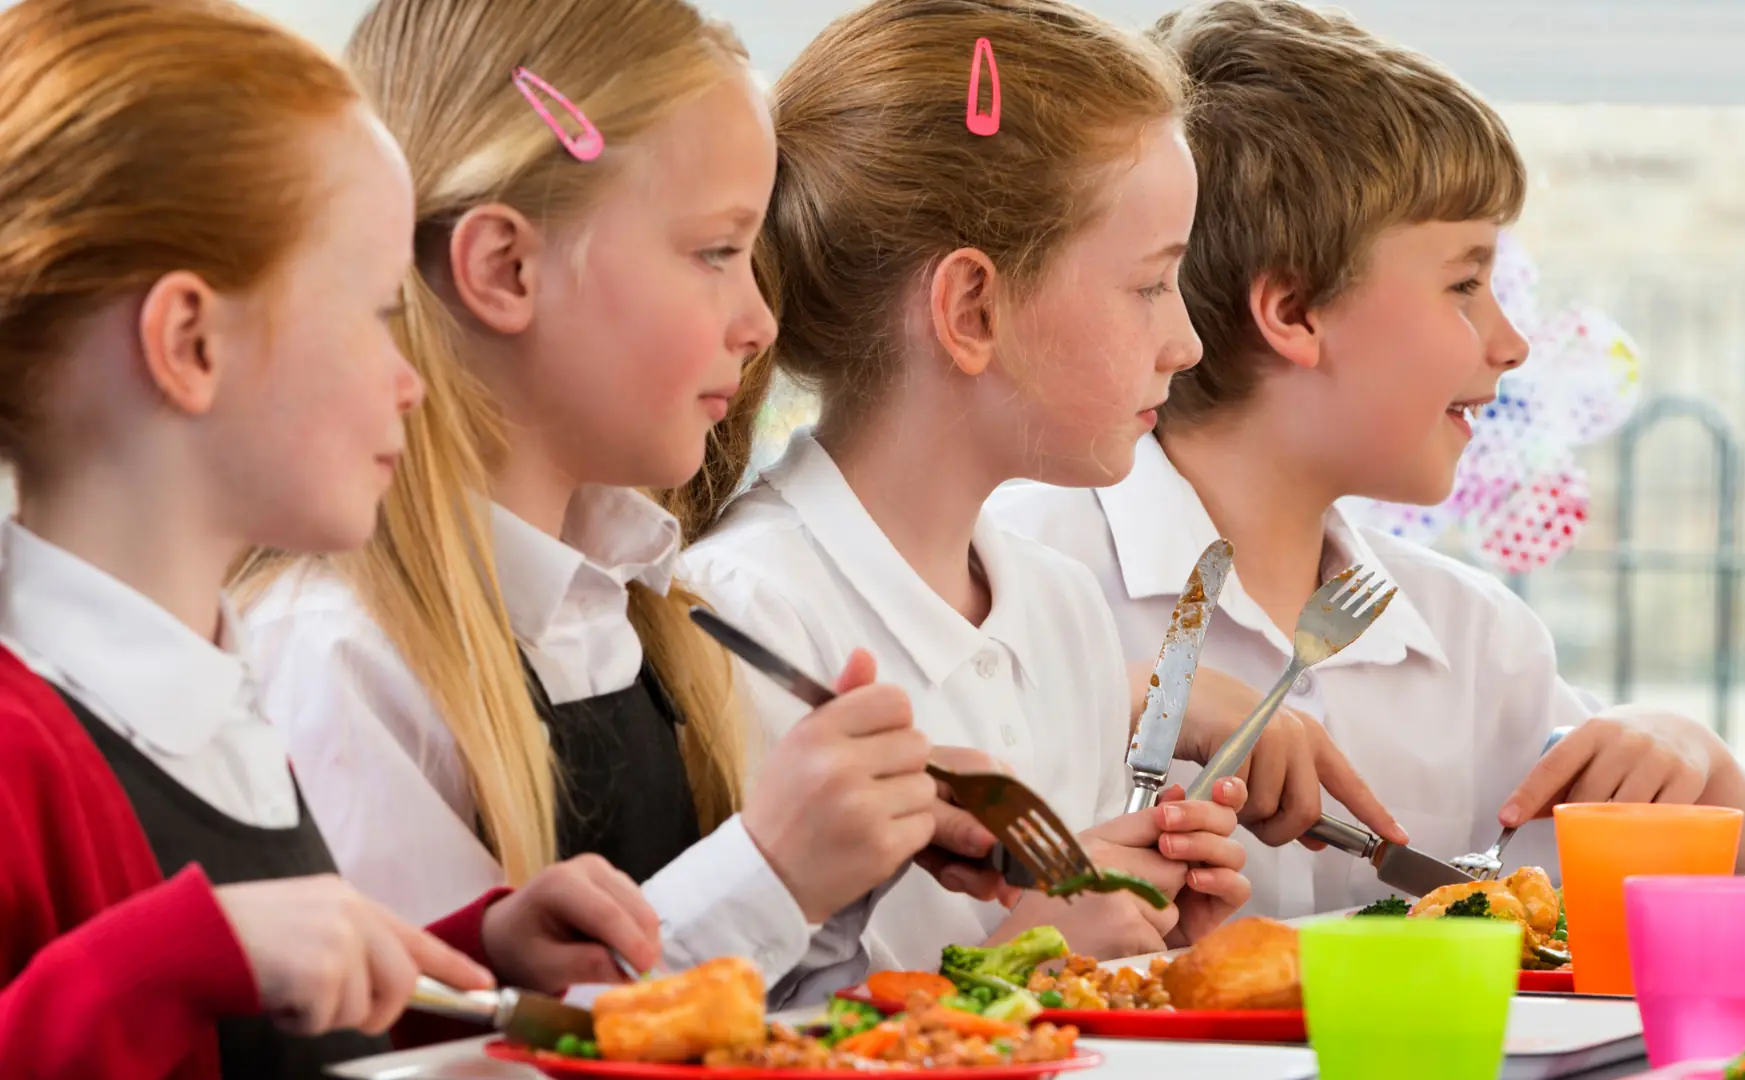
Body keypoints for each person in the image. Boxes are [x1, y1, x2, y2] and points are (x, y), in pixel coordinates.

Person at [238, 0, 1005, 1007]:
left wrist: (844, 860)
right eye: (716, 252)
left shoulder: (648, 618)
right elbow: (460, 1043)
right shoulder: (340, 657)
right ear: (507, 269)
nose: (760, 321)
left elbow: (735, 1019)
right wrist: (769, 872)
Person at [989, 0, 1745, 920]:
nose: (1512, 345)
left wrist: (1699, 756)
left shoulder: (1477, 643)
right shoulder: (1014, 584)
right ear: (1294, 312)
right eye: (1465, 284)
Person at [0, 1, 664, 1076]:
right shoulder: (20, 751)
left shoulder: (214, 694)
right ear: (191, 343)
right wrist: (179, 959)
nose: (411, 383)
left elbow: (243, 1040)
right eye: (379, 311)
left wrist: (463, 962)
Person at [683, 0, 1253, 975]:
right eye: (1151, 285)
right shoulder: (746, 618)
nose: (1186, 342)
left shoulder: (1063, 609)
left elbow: (1067, 963)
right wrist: (1024, 958)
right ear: (973, 308)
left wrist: (1139, 935)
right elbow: (733, 1013)